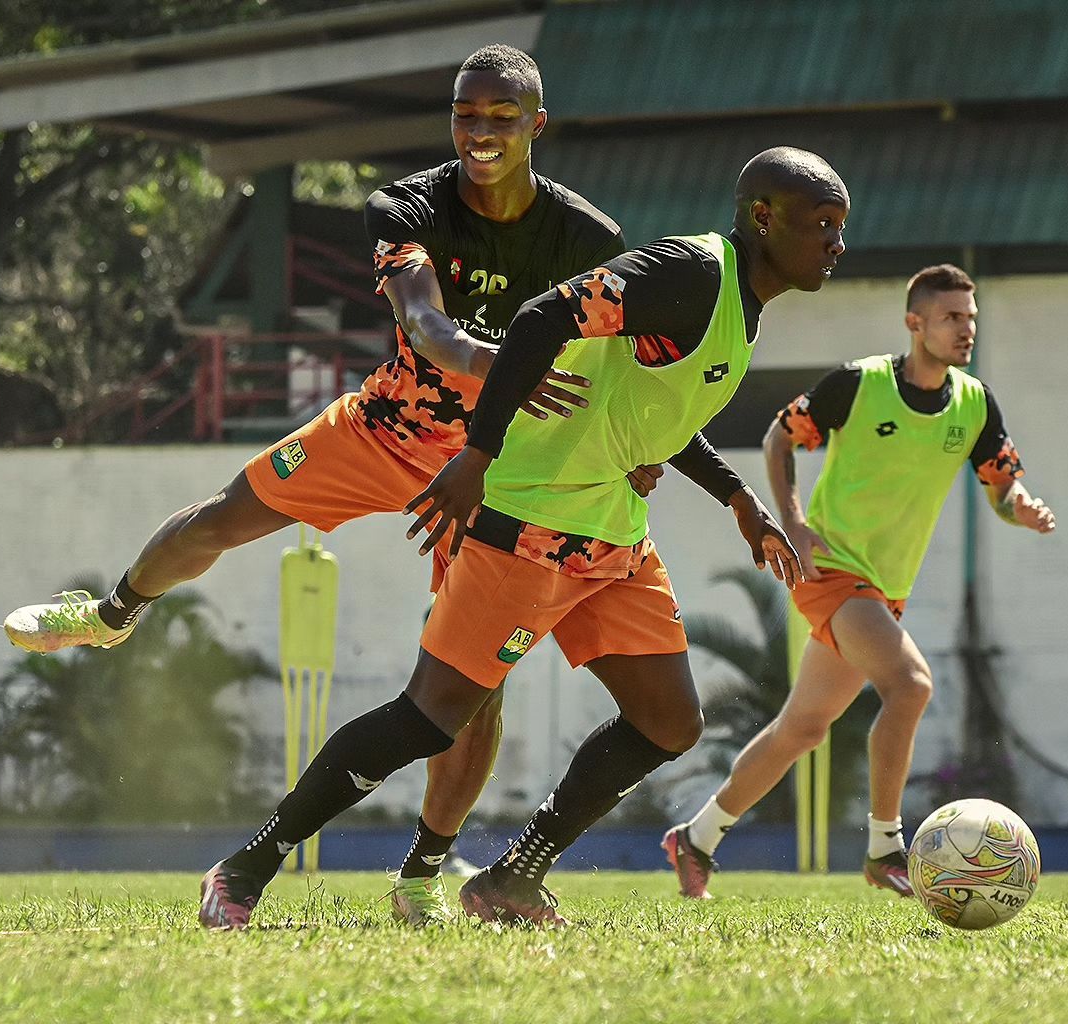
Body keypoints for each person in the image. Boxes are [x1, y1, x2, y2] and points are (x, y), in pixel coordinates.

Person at [2, 45, 650, 927]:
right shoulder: (407, 205)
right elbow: (423, 325)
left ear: (536, 125)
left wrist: (645, 443)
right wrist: (503, 366)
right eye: (466, 114)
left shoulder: (589, 238)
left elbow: (623, 370)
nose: (481, 132)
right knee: (226, 516)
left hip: (500, 467)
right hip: (386, 429)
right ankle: (113, 614)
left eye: (502, 117)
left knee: (470, 689)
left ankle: (423, 872)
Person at [196, 146, 849, 929]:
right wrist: (475, 456)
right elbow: (544, 318)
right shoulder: (691, 274)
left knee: (670, 721)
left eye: (840, 229)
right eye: (823, 226)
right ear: (763, 217)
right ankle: (245, 868)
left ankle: (514, 877)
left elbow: (647, 413)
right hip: (527, 525)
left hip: (611, 538)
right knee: (429, 718)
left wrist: (738, 497)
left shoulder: (739, 303)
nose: (836, 246)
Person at [662, 264, 1057, 899]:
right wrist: (792, 523)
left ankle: (697, 838)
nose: (966, 329)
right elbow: (778, 438)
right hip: (831, 568)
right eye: (953, 317)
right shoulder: (859, 383)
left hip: (883, 589)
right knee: (911, 684)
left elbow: (1001, 486)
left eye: (972, 317)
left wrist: (1022, 507)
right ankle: (884, 847)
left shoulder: (975, 403)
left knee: (803, 729)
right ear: (915, 323)